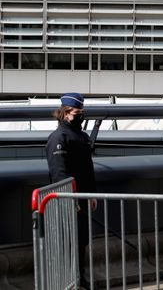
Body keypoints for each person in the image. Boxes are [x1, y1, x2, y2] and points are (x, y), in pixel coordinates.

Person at [46, 93, 97, 290]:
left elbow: (88, 168)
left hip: (82, 197)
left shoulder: (81, 136)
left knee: (81, 241)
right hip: (68, 199)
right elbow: (59, 172)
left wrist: (91, 193)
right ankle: (69, 281)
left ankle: (79, 279)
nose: (81, 116)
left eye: (82, 113)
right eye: (78, 113)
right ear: (66, 113)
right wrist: (70, 197)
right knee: (68, 242)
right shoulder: (58, 138)